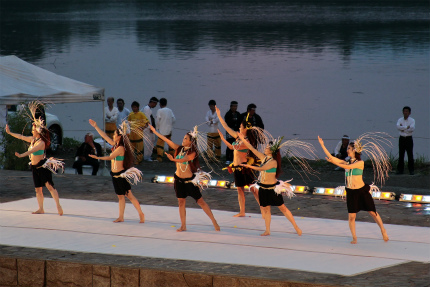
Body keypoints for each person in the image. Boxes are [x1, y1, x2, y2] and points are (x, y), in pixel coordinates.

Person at [318, 135, 389, 244]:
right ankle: (354, 237)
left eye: (349, 149)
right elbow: (332, 158)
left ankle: (383, 230)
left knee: (372, 212)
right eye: (347, 149)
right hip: (351, 192)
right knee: (351, 216)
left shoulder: (360, 163)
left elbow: (347, 167)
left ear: (354, 151)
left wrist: (333, 162)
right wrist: (322, 145)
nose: (347, 151)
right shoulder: (347, 162)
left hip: (361, 191)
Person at [149, 124, 220, 232]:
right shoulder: (179, 149)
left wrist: (173, 160)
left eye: (186, 138)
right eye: (183, 138)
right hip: (178, 180)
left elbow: (185, 159)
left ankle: (214, 221)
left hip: (190, 182)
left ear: (191, 141)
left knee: (200, 202)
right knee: (181, 202)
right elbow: (167, 140)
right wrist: (155, 131)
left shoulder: (193, 152)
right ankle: (183, 225)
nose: (183, 139)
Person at [4, 101, 63, 216]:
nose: (32, 130)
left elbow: (31, 151)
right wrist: (10, 133)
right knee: (38, 189)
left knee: (49, 187)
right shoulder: (33, 139)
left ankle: (58, 205)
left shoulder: (41, 143)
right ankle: (41, 208)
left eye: (33, 128)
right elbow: (21, 137)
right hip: (35, 167)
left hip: (42, 166)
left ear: (38, 131)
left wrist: (21, 155)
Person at [238, 134, 302, 237]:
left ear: (272, 151)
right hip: (263, 188)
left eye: (267, 148)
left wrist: (248, 166)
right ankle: (267, 230)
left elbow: (262, 169)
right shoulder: (264, 158)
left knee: (283, 208)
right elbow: (251, 149)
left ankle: (296, 227)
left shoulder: (273, 162)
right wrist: (242, 138)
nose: (265, 148)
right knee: (266, 210)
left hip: (273, 189)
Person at [88, 119, 145, 223]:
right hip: (114, 175)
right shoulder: (115, 146)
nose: (113, 136)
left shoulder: (121, 148)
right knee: (120, 197)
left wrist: (97, 158)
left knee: (129, 195)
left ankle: (141, 214)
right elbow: (105, 136)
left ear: (119, 136)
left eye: (114, 134)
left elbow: (110, 158)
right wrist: (96, 126)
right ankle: (121, 217)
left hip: (121, 175)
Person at [215, 106, 259, 217]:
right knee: (239, 189)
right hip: (236, 166)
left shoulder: (246, 141)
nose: (239, 127)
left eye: (241, 126)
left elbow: (234, 148)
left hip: (244, 166)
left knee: (253, 188)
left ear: (245, 129)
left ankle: (264, 208)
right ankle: (242, 211)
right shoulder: (238, 137)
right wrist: (219, 115)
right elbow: (226, 128)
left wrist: (232, 139)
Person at [155, 98, 176, 162]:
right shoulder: (169, 110)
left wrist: (157, 128)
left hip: (162, 131)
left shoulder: (159, 111)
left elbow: (157, 121)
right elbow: (174, 119)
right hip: (169, 130)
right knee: (170, 143)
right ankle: (173, 156)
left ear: (160, 104)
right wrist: (170, 125)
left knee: (160, 144)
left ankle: (159, 157)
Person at [396, 106, 415, 175]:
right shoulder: (400, 120)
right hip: (402, 138)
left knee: (410, 155)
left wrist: (403, 128)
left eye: (407, 111)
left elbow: (412, 128)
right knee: (401, 154)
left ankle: (411, 170)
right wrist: (407, 127)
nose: (405, 112)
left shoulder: (412, 120)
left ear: (409, 113)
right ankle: (400, 170)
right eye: (404, 111)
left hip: (409, 139)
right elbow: (398, 127)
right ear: (403, 112)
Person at [142, 97, 159, 161]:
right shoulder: (146, 109)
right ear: (153, 103)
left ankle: (149, 155)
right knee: (147, 142)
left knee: (153, 140)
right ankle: (146, 157)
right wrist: (150, 128)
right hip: (147, 129)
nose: (156, 105)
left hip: (150, 128)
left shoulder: (149, 109)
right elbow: (147, 119)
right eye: (155, 104)